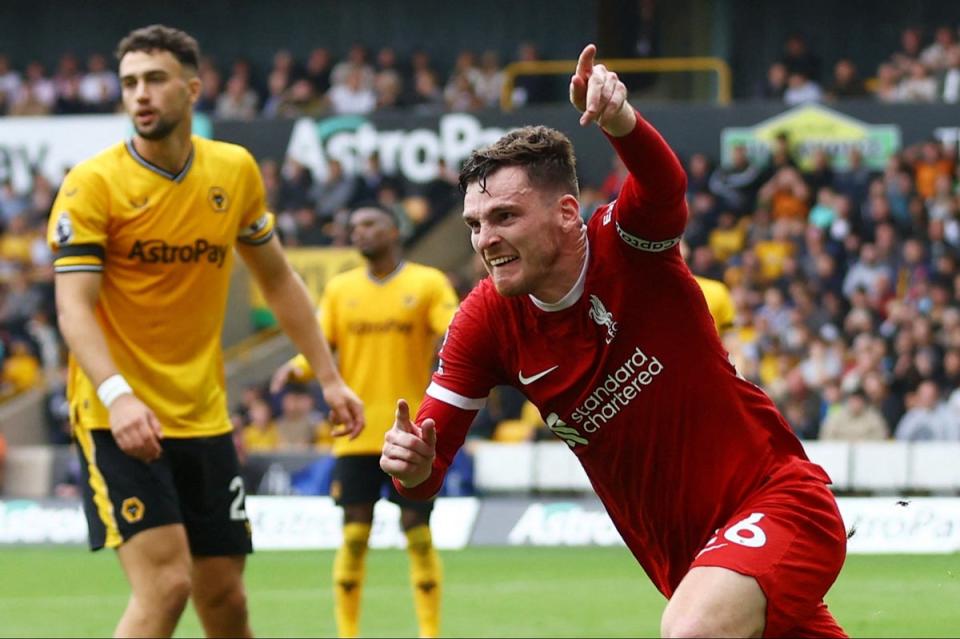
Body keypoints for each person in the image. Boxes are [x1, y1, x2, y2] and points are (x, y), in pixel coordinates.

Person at [381, 44, 848, 638]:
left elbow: (663, 188)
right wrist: (412, 464)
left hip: (779, 501)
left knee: (692, 631)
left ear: (568, 212)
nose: (485, 240)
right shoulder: (485, 322)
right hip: (688, 562)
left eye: (504, 217)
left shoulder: (626, 246)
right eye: (475, 224)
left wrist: (620, 122)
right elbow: (424, 471)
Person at [47, 25, 363, 639]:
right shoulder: (93, 183)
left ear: (193, 88)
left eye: (155, 80)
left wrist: (328, 377)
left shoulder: (234, 171)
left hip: (205, 417)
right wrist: (118, 395)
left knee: (226, 602)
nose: (140, 94)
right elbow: (73, 309)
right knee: (166, 588)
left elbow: (279, 281)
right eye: (130, 83)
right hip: (117, 418)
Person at [271, 203, 458, 638]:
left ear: (395, 231)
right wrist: (298, 368)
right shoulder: (340, 289)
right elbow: (321, 341)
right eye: (353, 225)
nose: (358, 232)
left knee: (418, 532)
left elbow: (451, 326)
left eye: (369, 224)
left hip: (410, 433)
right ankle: (347, 633)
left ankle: (430, 633)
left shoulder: (427, 283)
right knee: (354, 535)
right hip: (355, 435)